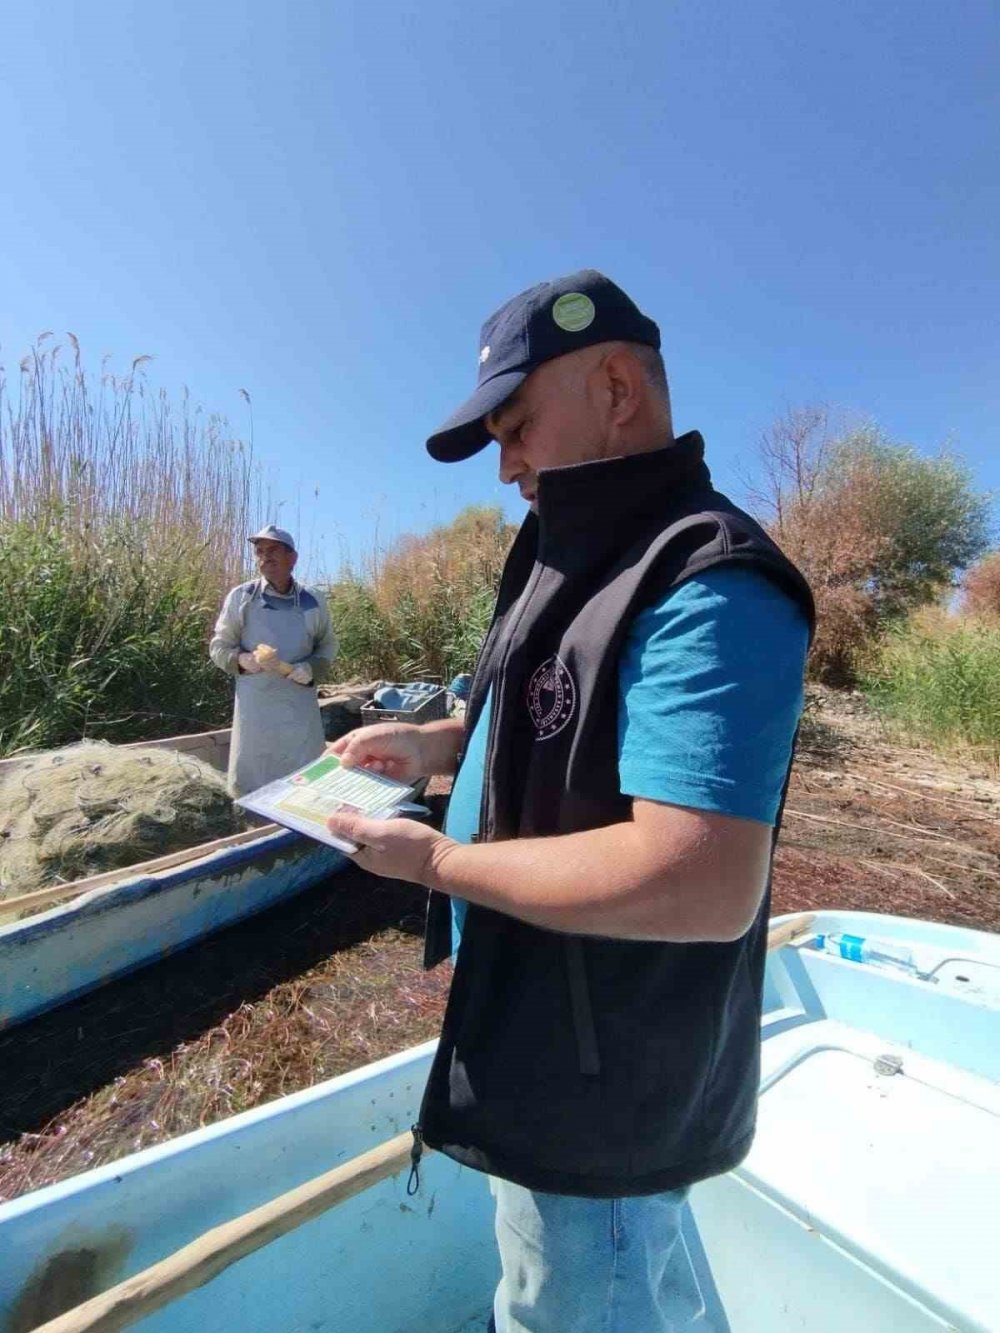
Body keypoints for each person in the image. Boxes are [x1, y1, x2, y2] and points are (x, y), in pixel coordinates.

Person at [327, 271, 814, 1332]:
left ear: (615, 386)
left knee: (578, 1296)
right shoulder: (559, 553)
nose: (505, 468)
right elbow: (543, 712)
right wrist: (435, 742)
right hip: (536, 1017)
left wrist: (436, 864)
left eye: (515, 428)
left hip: (607, 1084)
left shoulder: (706, 579)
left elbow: (695, 880)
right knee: (637, 1282)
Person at [210, 525, 338, 796]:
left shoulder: (312, 599)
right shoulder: (242, 597)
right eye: (259, 552)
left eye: (273, 551)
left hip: (299, 705)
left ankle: (304, 825)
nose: (265, 557)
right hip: (256, 708)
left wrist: (310, 668)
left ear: (293, 558)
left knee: (305, 776)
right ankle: (252, 822)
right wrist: (242, 660)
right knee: (253, 775)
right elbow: (219, 647)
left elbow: (327, 645)